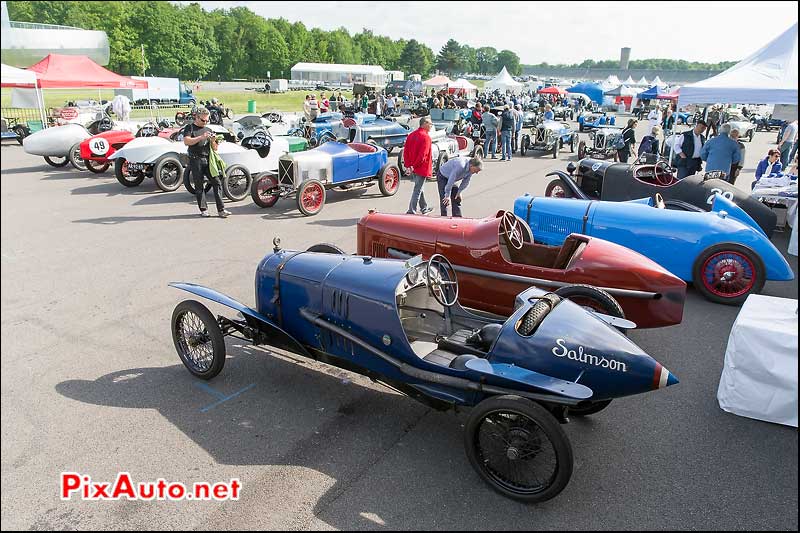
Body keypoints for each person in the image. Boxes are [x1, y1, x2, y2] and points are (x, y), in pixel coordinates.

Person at [182, 107, 230, 218]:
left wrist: (213, 140)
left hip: (208, 159)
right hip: (195, 159)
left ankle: (221, 209)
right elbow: (186, 141)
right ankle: (204, 209)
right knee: (199, 185)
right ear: (196, 117)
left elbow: (215, 148)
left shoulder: (208, 129)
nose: (205, 122)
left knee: (217, 182)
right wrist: (201, 137)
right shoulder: (190, 128)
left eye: (207, 120)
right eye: (203, 120)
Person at [402, 116, 434, 216]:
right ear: (424, 124)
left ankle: (424, 208)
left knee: (419, 187)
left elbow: (405, 151)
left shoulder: (411, 135)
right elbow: (423, 155)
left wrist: (409, 165)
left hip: (413, 166)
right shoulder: (426, 137)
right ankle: (412, 210)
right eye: (430, 123)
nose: (431, 126)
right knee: (418, 189)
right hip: (421, 167)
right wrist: (414, 165)